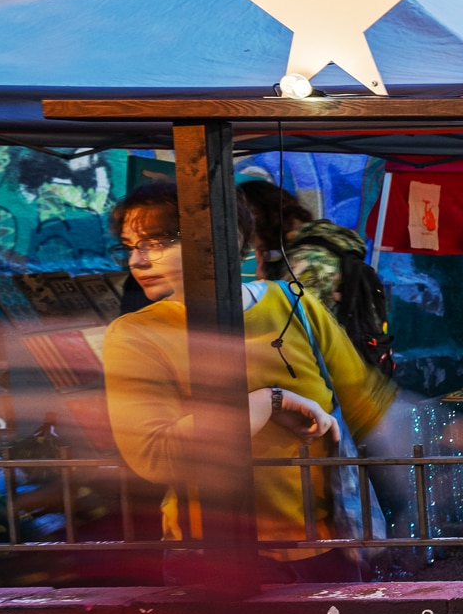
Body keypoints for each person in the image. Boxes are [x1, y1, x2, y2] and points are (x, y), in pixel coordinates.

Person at [99, 182, 392, 581]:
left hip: (326, 547)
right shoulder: (135, 335)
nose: (137, 261)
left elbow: (368, 407)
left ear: (220, 236)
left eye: (156, 242)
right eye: (130, 245)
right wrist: (267, 402)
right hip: (211, 556)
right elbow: (156, 456)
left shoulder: (295, 305)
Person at [239, 178, 392, 375]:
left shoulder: (310, 262)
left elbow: (288, 333)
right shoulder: (311, 253)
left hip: (336, 384)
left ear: (256, 219)